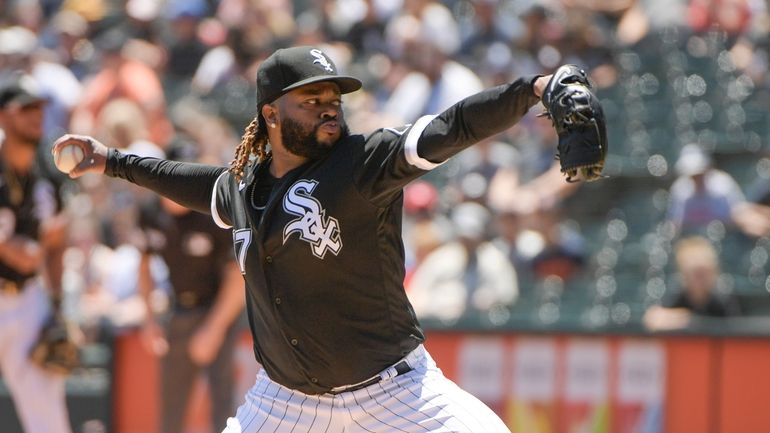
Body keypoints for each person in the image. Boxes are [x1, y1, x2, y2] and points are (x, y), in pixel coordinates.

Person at [54, 45, 556, 432]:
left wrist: (533, 88)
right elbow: (186, 179)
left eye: (333, 99)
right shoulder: (242, 188)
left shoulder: (363, 162)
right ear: (271, 114)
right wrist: (110, 160)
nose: (328, 109)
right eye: (311, 99)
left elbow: (452, 126)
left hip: (397, 393)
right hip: (284, 403)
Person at [137, 144, 245, 433]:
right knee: (171, 404)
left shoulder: (213, 211)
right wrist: (149, 318)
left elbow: (237, 275)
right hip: (178, 310)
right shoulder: (150, 211)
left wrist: (214, 328)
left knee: (223, 405)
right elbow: (144, 264)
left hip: (219, 308)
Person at [0, 73, 73, 433]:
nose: (35, 116)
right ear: (3, 116)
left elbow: (56, 242)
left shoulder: (48, 171)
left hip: (27, 298)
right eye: (25, 108)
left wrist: (57, 303)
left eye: (39, 107)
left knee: (47, 415)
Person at [643, 236, 741, 331]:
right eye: (697, 274)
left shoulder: (723, 299)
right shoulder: (676, 295)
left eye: (707, 273)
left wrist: (692, 321)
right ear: (684, 274)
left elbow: (733, 329)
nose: (702, 280)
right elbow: (653, 319)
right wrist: (683, 319)